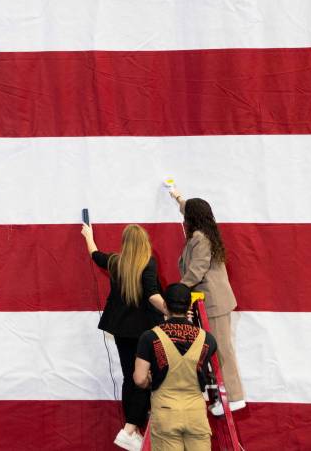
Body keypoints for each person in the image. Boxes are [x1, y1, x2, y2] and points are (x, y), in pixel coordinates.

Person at [81, 222, 168, 451]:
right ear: (144, 243)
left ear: (125, 244)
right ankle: (130, 429)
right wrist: (171, 311)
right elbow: (152, 294)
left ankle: (132, 429)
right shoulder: (148, 262)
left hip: (121, 330)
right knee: (144, 378)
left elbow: (95, 255)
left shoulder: (116, 262)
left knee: (130, 377)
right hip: (144, 331)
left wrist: (88, 235)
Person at [169, 190, 246, 414]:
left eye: (186, 215)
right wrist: (177, 196)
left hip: (215, 303)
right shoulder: (205, 232)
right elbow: (188, 207)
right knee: (213, 351)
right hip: (208, 302)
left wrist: (178, 291)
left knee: (222, 350)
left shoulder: (200, 239)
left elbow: (197, 269)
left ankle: (234, 398)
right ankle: (223, 396)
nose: (184, 218)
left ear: (192, 218)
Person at [134, 283, 218, 451]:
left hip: (165, 413)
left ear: (165, 305)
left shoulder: (150, 337)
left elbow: (140, 379)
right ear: (189, 307)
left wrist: (149, 380)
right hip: (196, 414)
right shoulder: (208, 339)